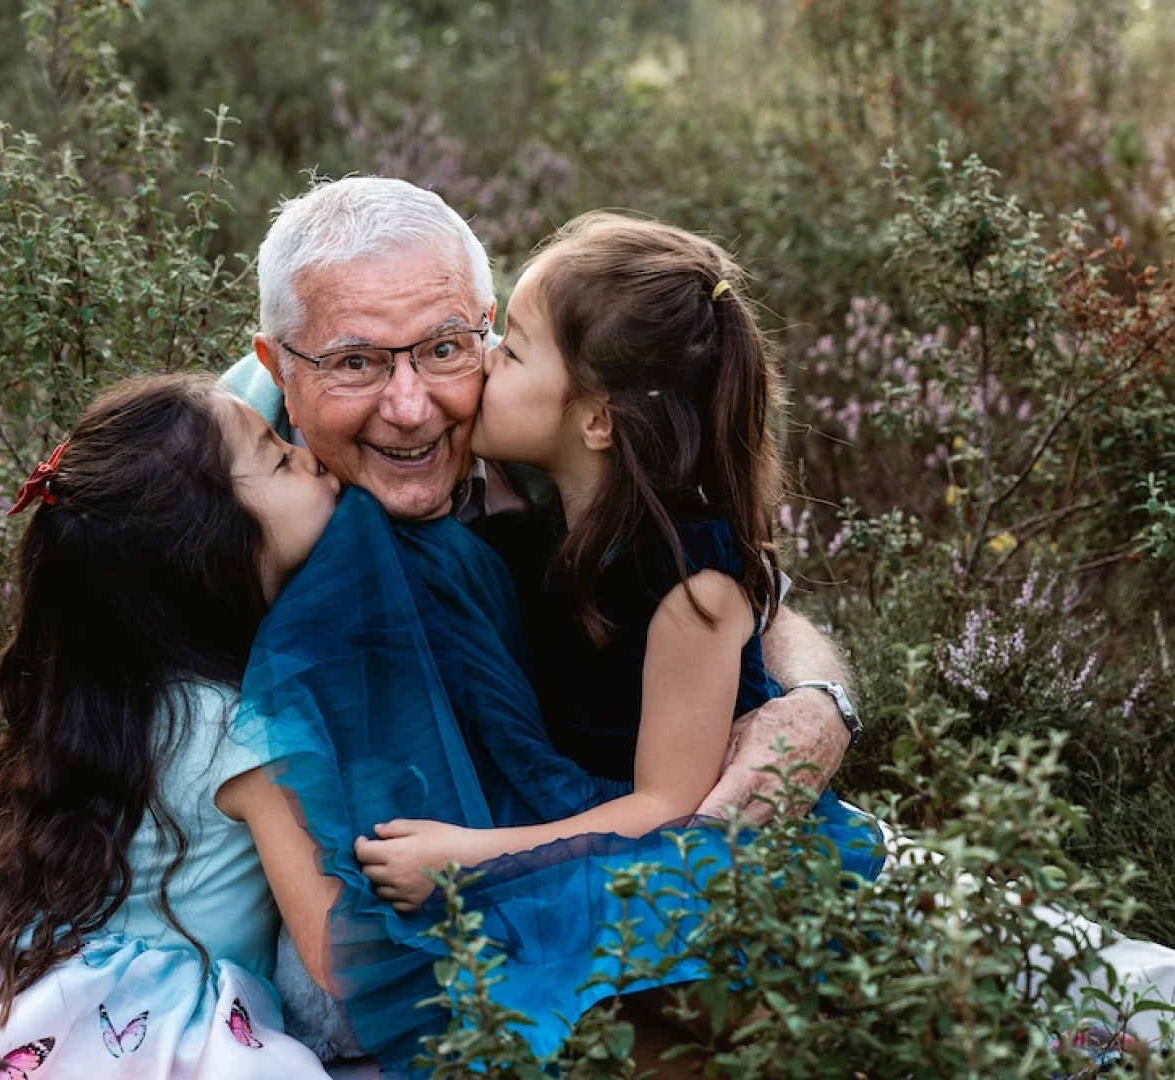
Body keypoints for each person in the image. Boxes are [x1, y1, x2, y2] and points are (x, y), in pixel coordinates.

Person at [219, 177, 866, 824]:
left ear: (485, 325)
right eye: (355, 362)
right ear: (278, 366)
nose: (411, 410)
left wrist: (819, 701)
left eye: (445, 347)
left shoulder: (552, 438)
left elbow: (742, 600)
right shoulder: (204, 477)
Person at [0, 375, 361, 1079]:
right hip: (154, 1036)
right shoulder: (246, 733)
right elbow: (333, 953)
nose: (309, 456)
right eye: (277, 455)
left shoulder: (112, 695)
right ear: (208, 544)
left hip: (21, 990)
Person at [352, 211, 849, 908]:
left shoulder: (691, 592)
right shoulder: (553, 518)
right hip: (580, 836)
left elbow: (666, 811)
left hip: (679, 879)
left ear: (596, 420)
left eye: (514, 350)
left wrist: (473, 860)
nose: (485, 358)